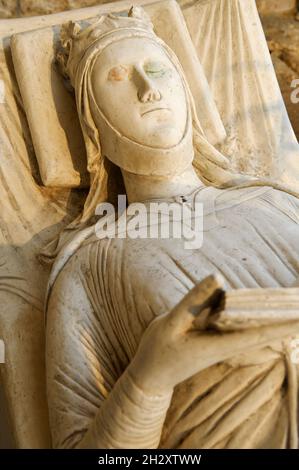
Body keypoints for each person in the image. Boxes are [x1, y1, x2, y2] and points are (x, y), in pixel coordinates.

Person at [45, 7, 299, 449]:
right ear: (93, 122)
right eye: (118, 77)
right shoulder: (91, 266)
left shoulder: (277, 202)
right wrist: (150, 377)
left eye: (158, 69)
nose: (149, 90)